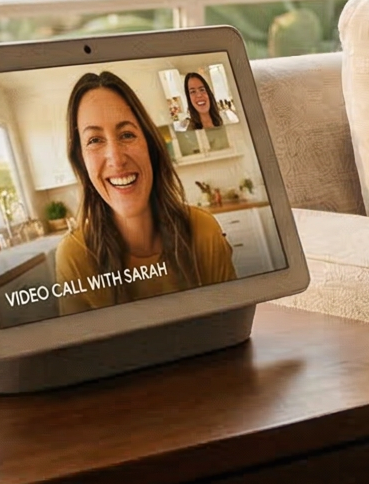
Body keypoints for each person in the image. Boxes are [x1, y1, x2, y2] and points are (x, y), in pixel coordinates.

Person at [51, 71, 237, 314]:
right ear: (81, 160)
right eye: (94, 140)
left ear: (150, 145)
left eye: (127, 134)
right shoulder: (74, 257)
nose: (116, 159)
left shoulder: (204, 231)